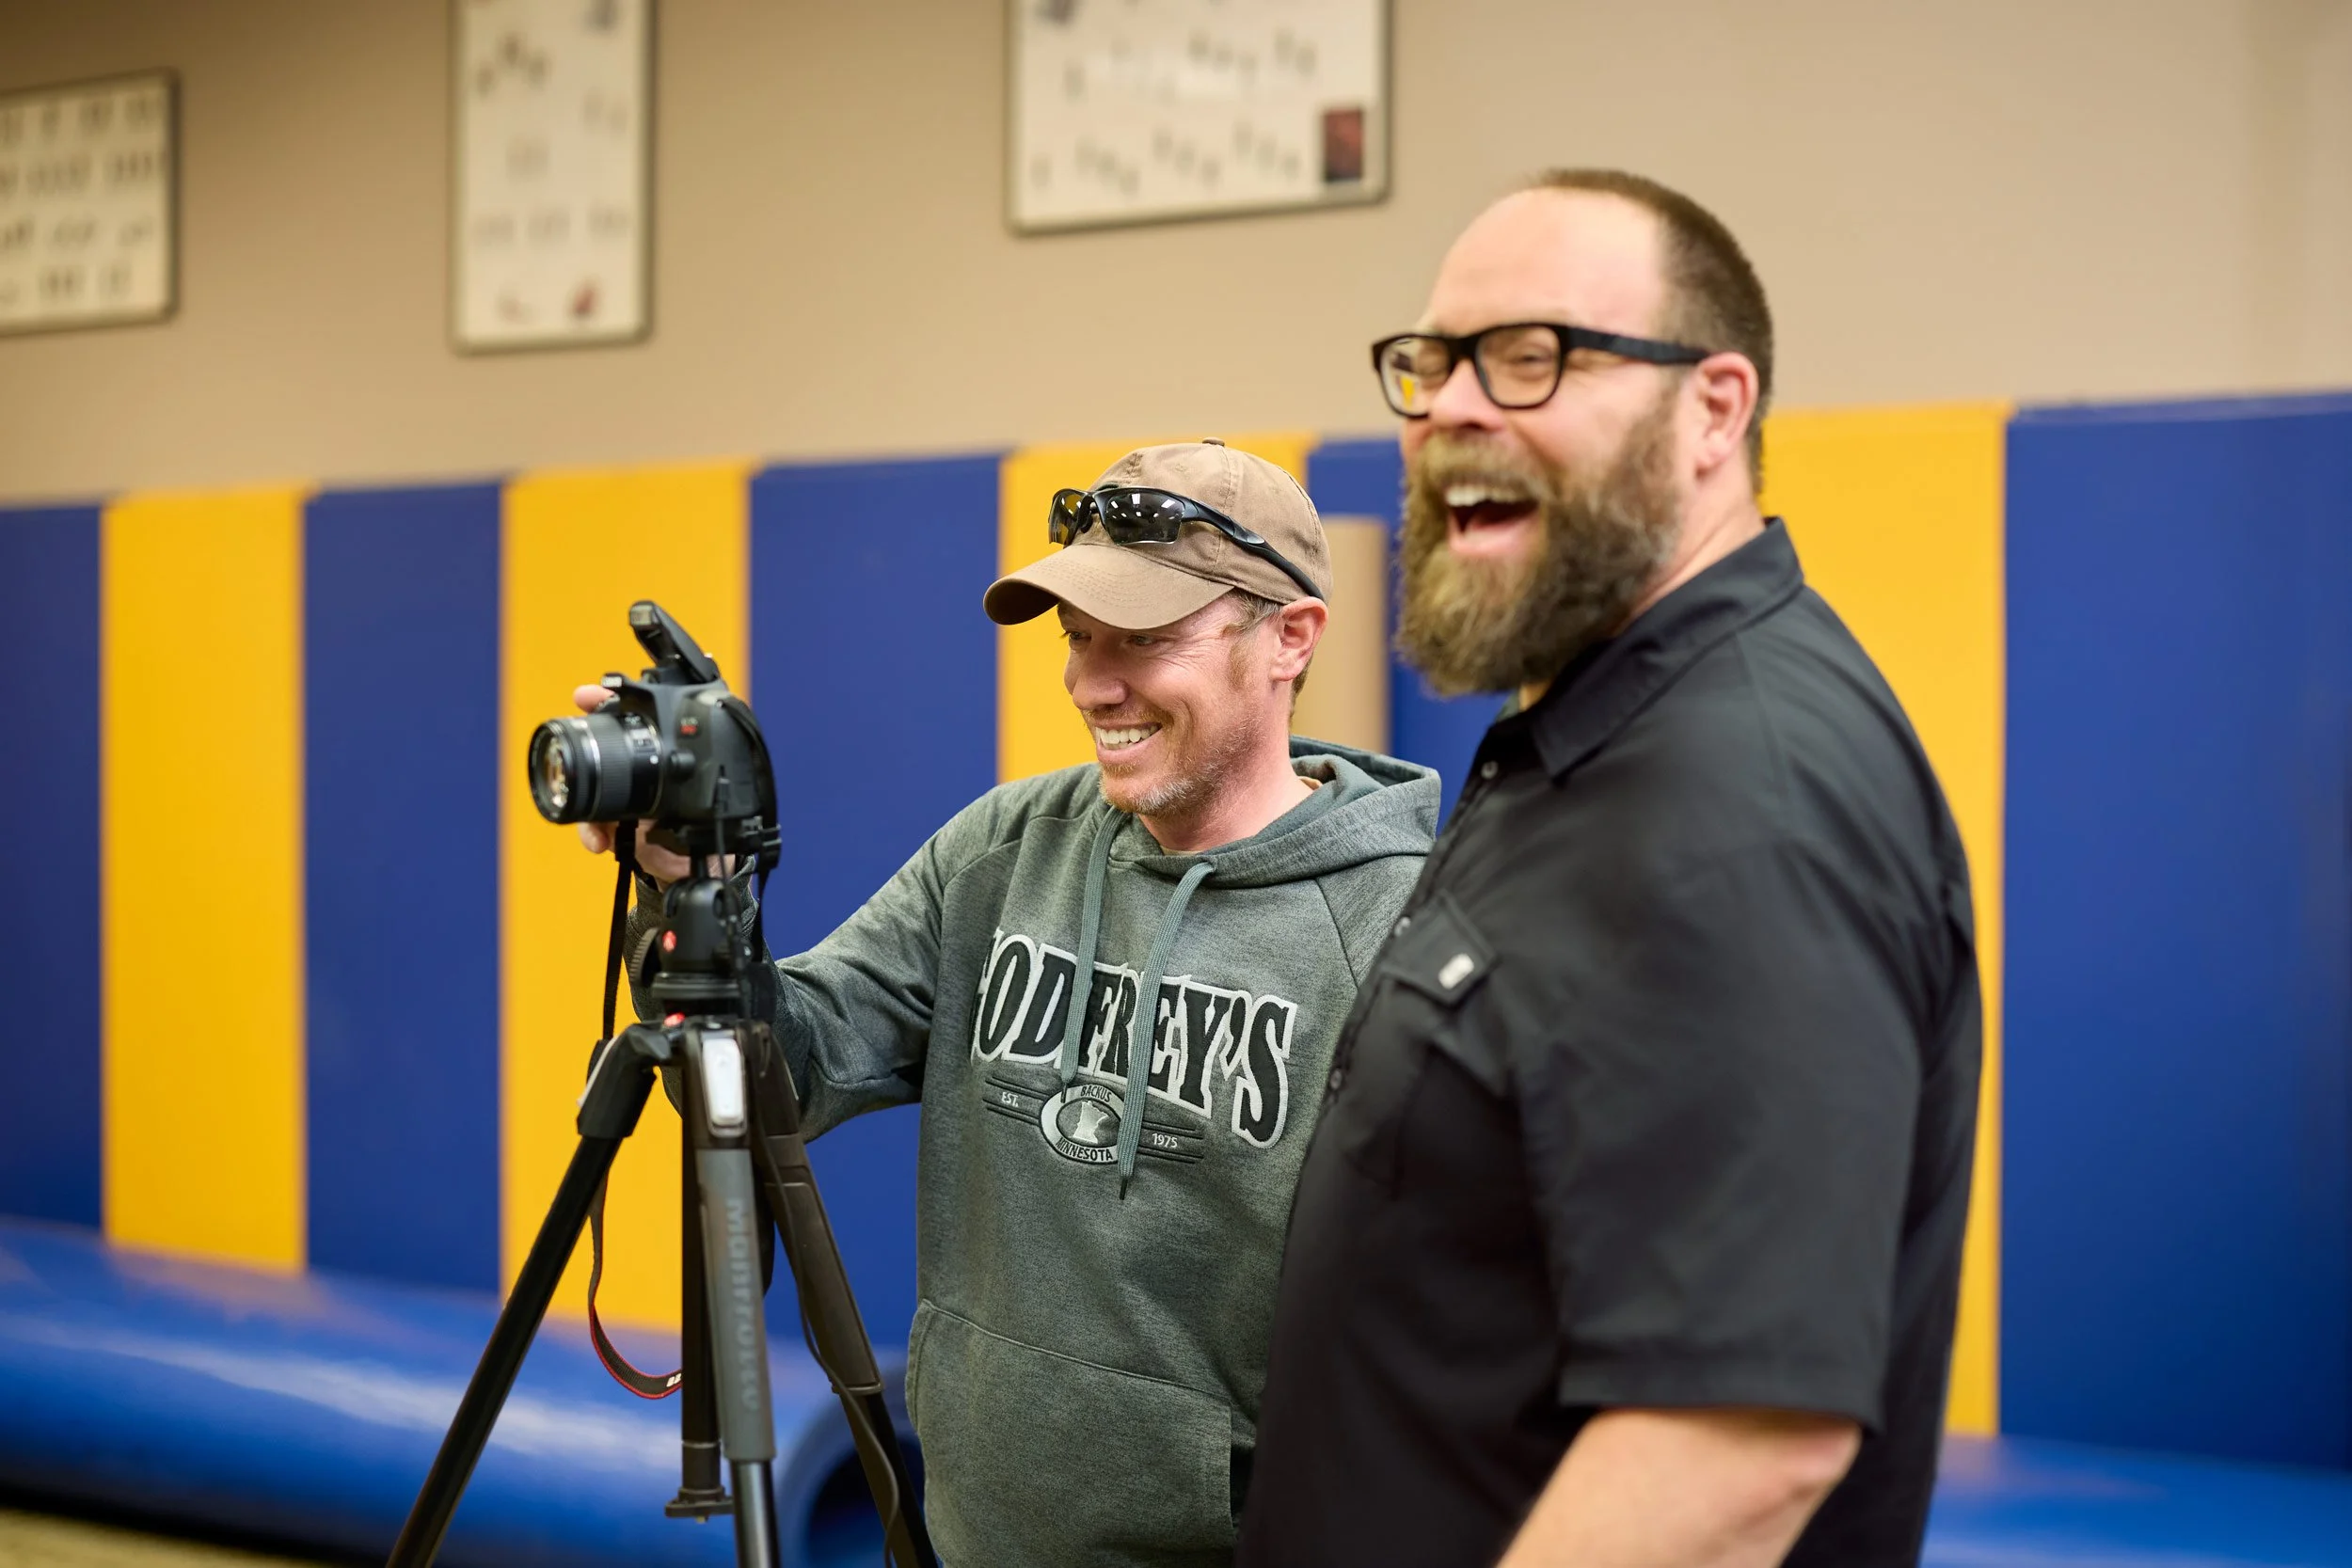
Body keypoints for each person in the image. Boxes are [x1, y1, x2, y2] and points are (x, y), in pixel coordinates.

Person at [1237, 170, 1983, 1568]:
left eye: (1534, 358)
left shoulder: (1737, 808)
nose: (1457, 402)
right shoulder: (1597, 738)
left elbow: (1733, 1447)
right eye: (1434, 361)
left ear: (1714, 409)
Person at [580, 438, 1439, 1568]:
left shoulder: (1402, 926)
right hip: (966, 1537)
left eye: (1143, 638)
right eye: (1079, 638)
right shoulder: (1005, 846)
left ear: (1289, 637)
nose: (1092, 681)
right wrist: (687, 888)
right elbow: (788, 1061)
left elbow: (1433, 1347)